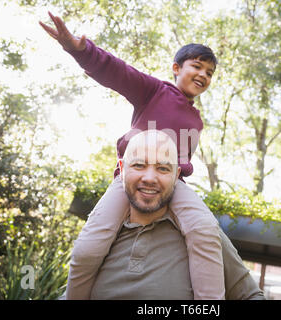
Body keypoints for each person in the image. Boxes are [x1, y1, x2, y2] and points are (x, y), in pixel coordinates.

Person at [39, 12, 224, 299]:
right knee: (89, 246)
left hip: (173, 186)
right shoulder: (155, 91)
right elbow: (118, 72)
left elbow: (181, 163)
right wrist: (80, 50)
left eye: (209, 73)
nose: (203, 75)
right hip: (129, 182)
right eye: (197, 67)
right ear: (176, 68)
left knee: (205, 229)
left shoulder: (197, 121)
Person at [78, 130, 264, 299]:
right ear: (122, 169)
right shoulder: (100, 238)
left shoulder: (203, 234)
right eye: (139, 165)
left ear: (176, 176)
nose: (150, 178)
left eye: (163, 168)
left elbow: (250, 295)